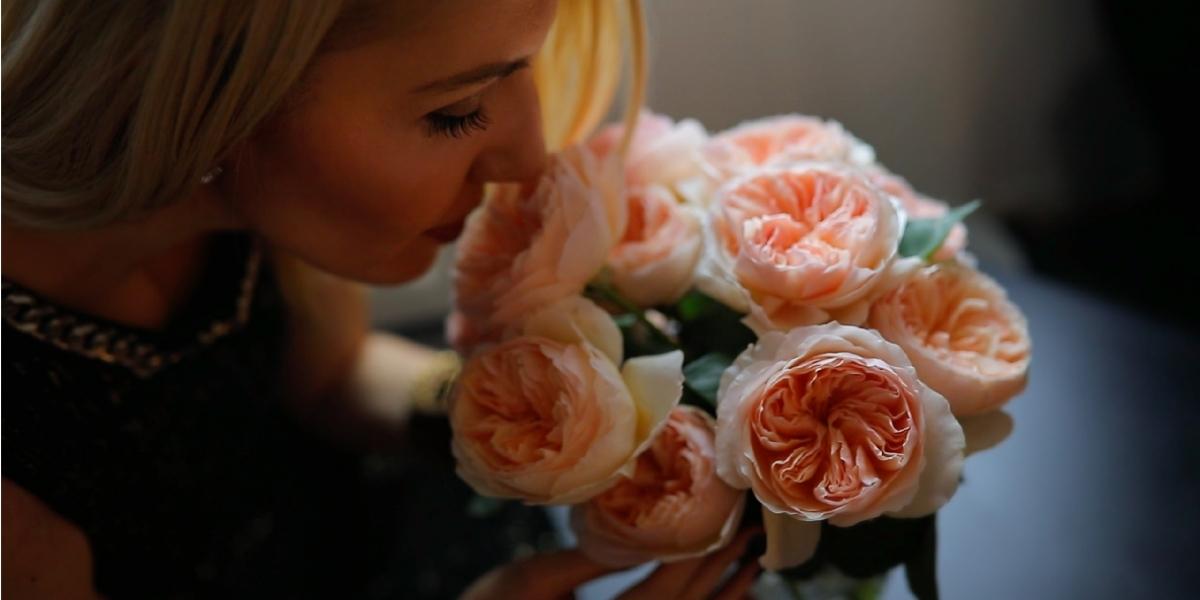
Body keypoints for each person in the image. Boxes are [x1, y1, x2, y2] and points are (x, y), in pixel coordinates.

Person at [1, 1, 761, 598]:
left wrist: (521, 422)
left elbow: (331, 376)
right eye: (456, 110)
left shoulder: (248, 201)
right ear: (210, 89)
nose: (529, 156)